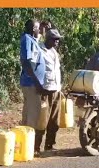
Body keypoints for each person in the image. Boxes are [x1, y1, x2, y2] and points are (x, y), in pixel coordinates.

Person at [34, 29, 63, 157]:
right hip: (44, 90)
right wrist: (39, 86)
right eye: (54, 39)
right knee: (42, 120)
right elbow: (34, 69)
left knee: (54, 120)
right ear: (47, 39)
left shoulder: (54, 52)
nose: (57, 42)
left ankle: (50, 145)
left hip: (55, 89)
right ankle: (36, 147)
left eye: (58, 39)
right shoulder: (39, 50)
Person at [19, 19, 47, 140]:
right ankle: (28, 144)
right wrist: (37, 82)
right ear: (33, 29)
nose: (40, 30)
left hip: (32, 83)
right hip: (31, 84)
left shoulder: (32, 40)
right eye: (38, 28)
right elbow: (26, 62)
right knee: (33, 116)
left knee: (28, 114)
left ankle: (24, 145)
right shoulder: (27, 39)